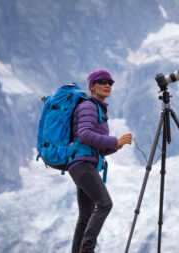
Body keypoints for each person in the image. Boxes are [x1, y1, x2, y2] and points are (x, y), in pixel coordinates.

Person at [67, 69, 132, 253]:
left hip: (83, 164)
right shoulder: (88, 106)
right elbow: (85, 134)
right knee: (105, 203)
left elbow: (94, 145)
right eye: (102, 82)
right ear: (92, 86)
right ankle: (87, 250)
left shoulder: (98, 109)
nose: (107, 85)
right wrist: (114, 141)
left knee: (86, 215)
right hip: (82, 165)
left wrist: (116, 146)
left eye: (110, 83)